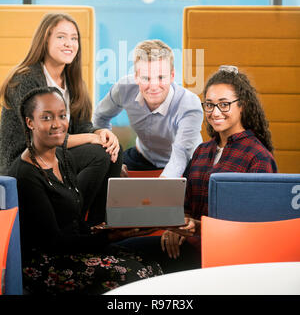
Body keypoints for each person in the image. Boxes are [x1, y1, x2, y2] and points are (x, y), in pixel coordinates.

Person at [118, 65, 277, 272]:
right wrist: (176, 227)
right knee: (116, 251)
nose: (215, 112)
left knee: (123, 264)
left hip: (226, 260)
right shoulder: (202, 151)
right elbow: (185, 203)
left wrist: (199, 228)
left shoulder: (257, 157)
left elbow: (256, 227)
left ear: (242, 106)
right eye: (209, 105)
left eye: (224, 104)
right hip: (186, 247)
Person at [9, 86, 163, 295]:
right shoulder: (26, 174)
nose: (57, 124)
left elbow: (74, 221)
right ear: (30, 122)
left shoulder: (62, 159)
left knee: (152, 266)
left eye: (62, 116)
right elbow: (54, 243)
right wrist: (110, 238)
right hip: (44, 264)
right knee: (139, 273)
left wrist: (109, 230)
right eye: (46, 118)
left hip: (71, 248)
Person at [0, 12, 121, 224]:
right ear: (45, 40)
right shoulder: (26, 79)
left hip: (54, 153)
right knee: (97, 154)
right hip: (24, 159)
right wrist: (90, 139)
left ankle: (98, 225)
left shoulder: (72, 81)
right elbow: (42, 138)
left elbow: (82, 125)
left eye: (74, 38)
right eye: (61, 37)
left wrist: (99, 133)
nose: (69, 44)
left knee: (112, 152)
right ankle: (69, 221)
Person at [93, 39, 203, 178]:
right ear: (136, 77)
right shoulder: (124, 89)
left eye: (161, 77)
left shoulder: (189, 104)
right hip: (143, 156)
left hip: (187, 161)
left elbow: (180, 157)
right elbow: (100, 117)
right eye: (146, 78)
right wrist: (112, 160)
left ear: (172, 76)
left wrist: (159, 185)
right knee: (102, 172)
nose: (154, 86)